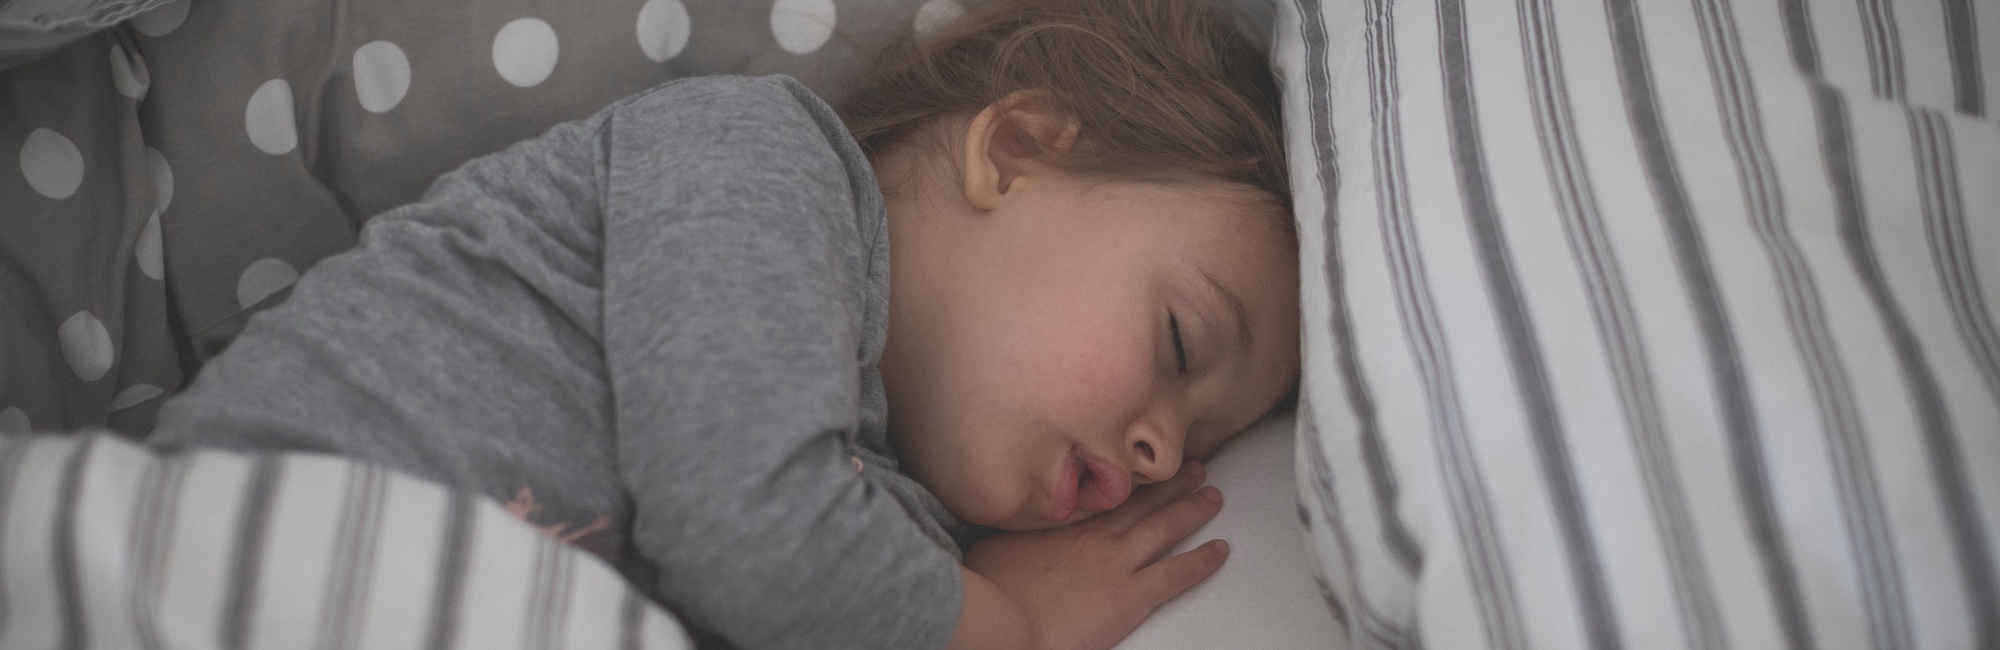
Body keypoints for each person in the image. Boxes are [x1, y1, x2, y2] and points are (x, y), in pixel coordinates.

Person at [147, 0, 1300, 648]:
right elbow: (749, 528)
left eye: (1202, 441)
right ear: (1015, 151)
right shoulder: (761, 162)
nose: (1162, 452)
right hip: (235, 552)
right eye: (1180, 344)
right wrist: (1010, 627)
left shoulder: (904, 517)